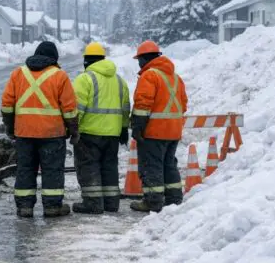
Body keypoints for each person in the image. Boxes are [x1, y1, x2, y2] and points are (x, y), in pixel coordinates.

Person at [1, 41, 79, 218]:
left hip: (24, 133)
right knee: (52, 170)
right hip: (52, 134)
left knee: (25, 169)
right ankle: (52, 207)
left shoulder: (18, 74)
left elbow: (7, 104)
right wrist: (74, 131)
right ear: (54, 59)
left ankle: (25, 208)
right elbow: (69, 109)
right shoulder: (60, 76)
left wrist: (10, 126)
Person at [71, 41, 131, 214]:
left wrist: (72, 129)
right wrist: (123, 129)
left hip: (89, 133)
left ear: (87, 61)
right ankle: (111, 204)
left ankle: (93, 203)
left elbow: (77, 108)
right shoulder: (120, 81)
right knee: (109, 167)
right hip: (113, 134)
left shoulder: (85, 79)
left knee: (89, 167)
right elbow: (125, 108)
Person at [130, 40, 188, 213]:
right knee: (169, 164)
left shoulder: (149, 75)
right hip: (173, 130)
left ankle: (152, 201)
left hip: (154, 131)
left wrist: (138, 127)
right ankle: (174, 198)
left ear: (145, 58)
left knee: (152, 165)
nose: (139, 63)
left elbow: (143, 104)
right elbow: (183, 104)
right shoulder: (176, 78)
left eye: (139, 59)